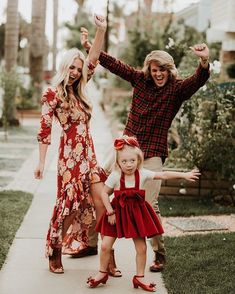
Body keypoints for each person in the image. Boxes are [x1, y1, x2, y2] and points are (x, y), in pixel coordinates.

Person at [80, 28, 210, 272]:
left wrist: (204, 61)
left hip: (152, 154)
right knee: (97, 185)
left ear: (169, 70)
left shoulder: (177, 90)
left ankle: (159, 253)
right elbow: (116, 65)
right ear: (149, 70)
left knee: (149, 205)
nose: (158, 73)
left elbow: (199, 80)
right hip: (124, 150)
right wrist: (91, 48)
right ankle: (90, 242)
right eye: (154, 69)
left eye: (162, 69)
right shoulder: (139, 79)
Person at [34, 15, 119, 275]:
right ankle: (55, 250)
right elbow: (45, 131)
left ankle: (109, 257)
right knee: (69, 208)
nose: (74, 72)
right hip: (69, 159)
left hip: (88, 156)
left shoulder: (80, 90)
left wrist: (100, 30)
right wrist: (40, 163)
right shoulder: (52, 94)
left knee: (101, 204)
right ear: (64, 67)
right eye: (71, 67)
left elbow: (93, 58)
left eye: (77, 69)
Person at [86, 135, 200, 291]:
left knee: (142, 248)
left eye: (132, 161)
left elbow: (164, 175)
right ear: (118, 162)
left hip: (136, 215)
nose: (128, 165)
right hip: (117, 213)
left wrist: (184, 175)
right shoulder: (116, 176)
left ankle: (139, 278)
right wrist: (110, 212)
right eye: (124, 161)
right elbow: (104, 193)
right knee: (105, 245)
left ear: (138, 159)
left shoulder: (143, 173)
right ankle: (102, 273)